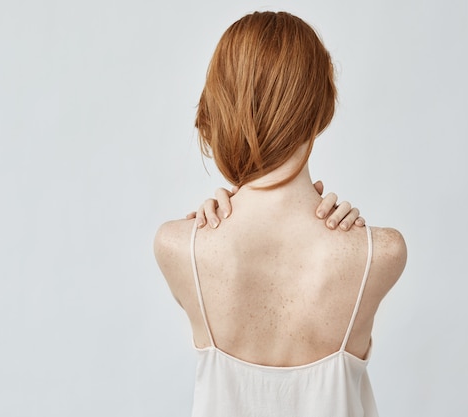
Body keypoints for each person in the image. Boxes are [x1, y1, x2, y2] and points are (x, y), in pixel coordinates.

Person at [154, 11, 407, 417]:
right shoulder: (383, 252)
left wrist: (211, 224)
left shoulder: (177, 247)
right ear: (321, 108)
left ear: (221, 101)